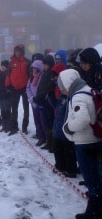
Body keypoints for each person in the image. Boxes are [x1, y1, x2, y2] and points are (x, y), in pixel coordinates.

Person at [59, 69, 102, 219]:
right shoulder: (88, 90)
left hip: (85, 142)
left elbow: (82, 118)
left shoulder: (78, 96)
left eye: (62, 85)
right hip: (95, 138)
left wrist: (68, 128)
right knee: (96, 176)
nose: (61, 89)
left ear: (67, 83)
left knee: (92, 179)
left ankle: (94, 212)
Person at [5, 44, 31, 135]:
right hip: (14, 88)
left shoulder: (27, 62)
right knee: (14, 109)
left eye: (19, 51)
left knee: (26, 109)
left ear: (22, 52)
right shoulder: (11, 62)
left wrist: (29, 86)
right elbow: (8, 74)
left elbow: (30, 75)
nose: (17, 53)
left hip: (24, 88)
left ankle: (25, 127)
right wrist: (8, 85)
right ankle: (14, 127)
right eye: (16, 51)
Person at [26, 60, 46, 146]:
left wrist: (37, 98)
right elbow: (28, 88)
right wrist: (31, 98)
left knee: (43, 121)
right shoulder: (31, 77)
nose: (34, 70)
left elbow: (42, 89)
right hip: (33, 101)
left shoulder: (42, 77)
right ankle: (40, 136)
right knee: (36, 120)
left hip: (40, 101)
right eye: (33, 68)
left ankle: (46, 137)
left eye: (36, 68)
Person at [0, 60, 11, 133]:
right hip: (0, 95)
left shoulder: (8, 74)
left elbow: (8, 85)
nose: (2, 67)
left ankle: (8, 126)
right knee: (2, 111)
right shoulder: (0, 74)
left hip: (6, 96)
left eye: (4, 66)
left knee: (7, 111)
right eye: (1, 66)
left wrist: (5, 89)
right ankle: (4, 125)